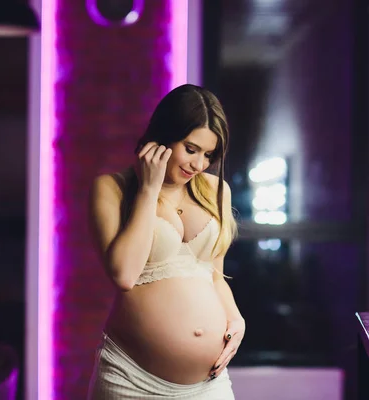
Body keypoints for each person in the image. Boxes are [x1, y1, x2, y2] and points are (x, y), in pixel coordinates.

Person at [87, 84, 246, 399]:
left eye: (208, 154)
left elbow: (213, 274)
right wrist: (149, 189)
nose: (199, 165)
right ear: (163, 136)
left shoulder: (217, 191)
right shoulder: (112, 189)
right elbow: (124, 274)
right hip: (131, 381)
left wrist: (236, 317)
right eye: (190, 148)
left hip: (209, 385)